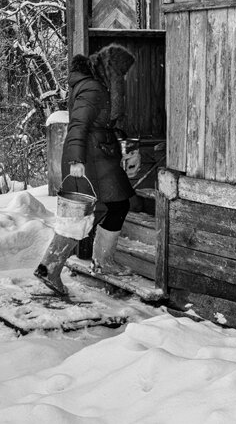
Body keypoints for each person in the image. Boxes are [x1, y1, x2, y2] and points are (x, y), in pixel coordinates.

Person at [34, 44, 136, 296]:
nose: (121, 78)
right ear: (110, 69)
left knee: (113, 206)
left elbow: (99, 122)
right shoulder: (93, 88)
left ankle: (97, 262)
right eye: (120, 73)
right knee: (85, 214)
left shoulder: (91, 85)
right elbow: (78, 125)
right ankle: (51, 267)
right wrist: (76, 161)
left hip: (99, 156)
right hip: (90, 159)